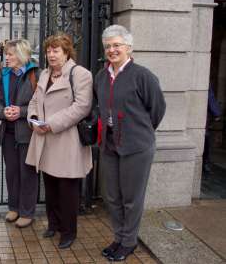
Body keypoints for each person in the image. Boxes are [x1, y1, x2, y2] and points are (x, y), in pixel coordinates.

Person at [95, 25, 166, 261]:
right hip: (110, 144)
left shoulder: (142, 75)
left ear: (128, 47)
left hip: (136, 146)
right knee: (112, 196)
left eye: (117, 45)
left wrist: (140, 132)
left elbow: (156, 109)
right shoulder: (101, 76)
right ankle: (119, 237)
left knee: (131, 198)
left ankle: (129, 241)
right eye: (108, 46)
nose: (112, 50)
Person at [26, 34, 93, 249]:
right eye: (49, 51)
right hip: (44, 139)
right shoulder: (45, 73)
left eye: (56, 51)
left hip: (67, 141)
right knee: (51, 187)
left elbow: (82, 107)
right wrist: (34, 119)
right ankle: (53, 224)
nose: (51, 55)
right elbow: (35, 101)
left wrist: (50, 124)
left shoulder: (80, 74)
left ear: (66, 52)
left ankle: (68, 231)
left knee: (68, 191)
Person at [0, 39, 40, 228]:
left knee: (27, 173)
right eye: (7, 54)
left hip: (28, 133)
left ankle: (27, 211)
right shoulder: (4, 74)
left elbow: (39, 103)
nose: (7, 57)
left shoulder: (36, 74)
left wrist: (20, 112)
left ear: (21, 55)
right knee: (12, 172)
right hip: (8, 133)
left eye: (11, 54)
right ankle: (13, 207)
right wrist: (3, 112)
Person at [202, 85, 222, 172]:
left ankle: (205, 163)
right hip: (202, 118)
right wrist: (216, 114)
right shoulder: (205, 83)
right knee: (205, 138)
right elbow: (210, 98)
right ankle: (205, 163)